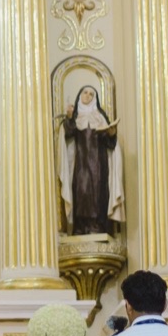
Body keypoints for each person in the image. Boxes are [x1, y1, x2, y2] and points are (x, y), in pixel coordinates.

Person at [57, 85, 124, 235]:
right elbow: (68, 133)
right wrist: (68, 118)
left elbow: (110, 143)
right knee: (82, 192)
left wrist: (111, 134)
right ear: (80, 96)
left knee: (98, 193)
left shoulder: (100, 117)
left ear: (95, 98)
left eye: (91, 94)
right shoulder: (75, 117)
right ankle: (81, 227)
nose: (88, 96)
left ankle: (98, 226)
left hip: (99, 164)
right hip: (81, 163)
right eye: (85, 93)